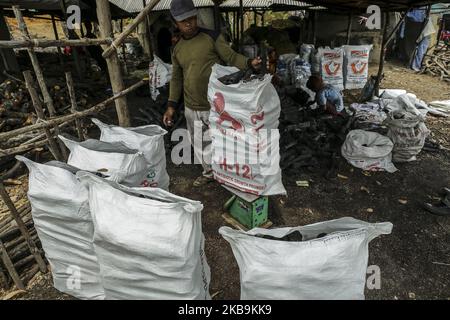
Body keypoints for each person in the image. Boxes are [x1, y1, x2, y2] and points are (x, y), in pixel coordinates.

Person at [162, 0, 261, 187]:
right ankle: (209, 173)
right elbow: (176, 79)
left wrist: (249, 63)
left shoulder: (211, 37)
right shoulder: (177, 49)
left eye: (192, 18)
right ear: (175, 22)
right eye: (184, 21)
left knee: (225, 140)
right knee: (200, 142)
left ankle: (230, 175)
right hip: (192, 105)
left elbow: (230, 57)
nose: (189, 23)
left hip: (217, 103)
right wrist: (171, 106)